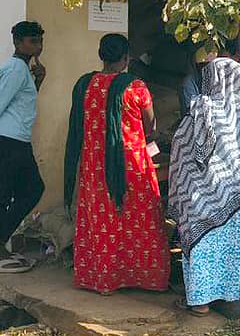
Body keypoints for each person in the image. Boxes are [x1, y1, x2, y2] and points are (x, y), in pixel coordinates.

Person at [65, 34, 170, 294]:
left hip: (94, 166)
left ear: (101, 55)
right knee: (139, 217)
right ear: (125, 58)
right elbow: (151, 126)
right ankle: (144, 277)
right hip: (131, 165)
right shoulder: (134, 87)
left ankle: (103, 279)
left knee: (102, 219)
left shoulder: (84, 85)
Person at [168, 54, 240, 316]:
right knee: (229, 247)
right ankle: (226, 294)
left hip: (201, 196)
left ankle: (199, 301)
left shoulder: (203, 109)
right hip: (236, 195)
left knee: (201, 245)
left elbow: (182, 146)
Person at [0, 21, 46, 272]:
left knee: (14, 192)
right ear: (18, 43)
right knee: (28, 190)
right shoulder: (17, 68)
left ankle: (2, 243)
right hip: (9, 141)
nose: (37, 46)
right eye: (31, 41)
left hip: (17, 140)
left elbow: (21, 104)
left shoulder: (23, 69)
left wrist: (38, 81)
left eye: (39, 41)